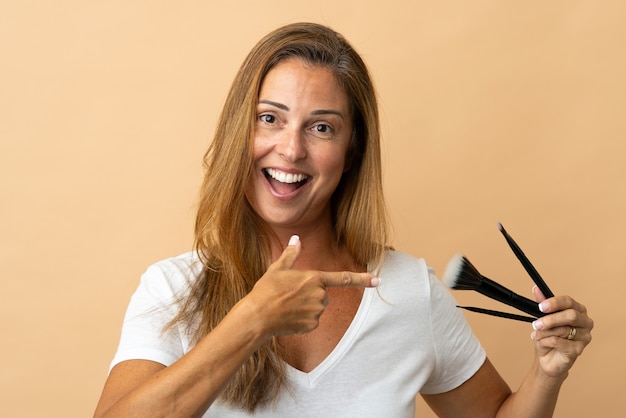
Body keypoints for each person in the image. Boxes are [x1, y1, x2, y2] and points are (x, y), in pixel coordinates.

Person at [94, 22, 593, 417]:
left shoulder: (409, 291)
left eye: (322, 127)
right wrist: (250, 321)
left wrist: (548, 373)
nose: (290, 149)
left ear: (351, 152)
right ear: (238, 132)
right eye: (270, 118)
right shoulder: (172, 289)